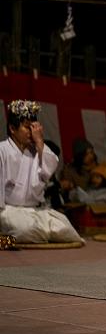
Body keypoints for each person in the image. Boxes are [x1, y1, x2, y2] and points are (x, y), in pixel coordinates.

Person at [0, 100, 83, 244]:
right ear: (12, 129)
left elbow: (50, 166)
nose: (32, 132)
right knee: (27, 230)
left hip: (35, 211)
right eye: (27, 127)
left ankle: (21, 237)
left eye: (34, 128)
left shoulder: (37, 151)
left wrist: (40, 142)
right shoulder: (2, 150)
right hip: (9, 210)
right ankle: (4, 239)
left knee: (65, 229)